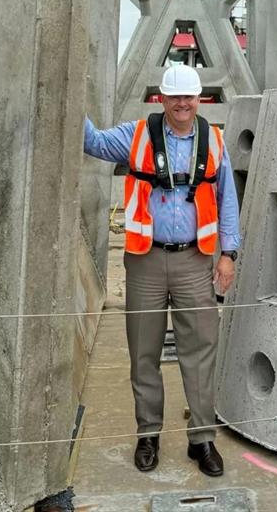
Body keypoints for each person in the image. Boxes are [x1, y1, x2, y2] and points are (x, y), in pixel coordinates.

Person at [84, 63, 241, 478]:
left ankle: (202, 439)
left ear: (199, 99)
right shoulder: (135, 136)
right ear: (162, 100)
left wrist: (229, 255)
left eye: (189, 97)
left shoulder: (215, 141)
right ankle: (148, 433)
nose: (183, 104)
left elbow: (227, 200)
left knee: (201, 351)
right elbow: (92, 142)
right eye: (175, 97)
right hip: (145, 261)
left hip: (194, 260)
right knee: (144, 352)